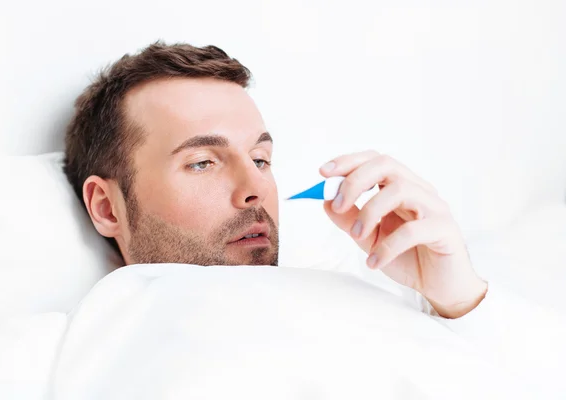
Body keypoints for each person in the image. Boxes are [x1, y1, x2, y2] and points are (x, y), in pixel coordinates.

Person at [63, 42, 564, 393]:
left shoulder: (368, 284)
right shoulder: (90, 341)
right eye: (202, 162)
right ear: (108, 207)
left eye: (261, 160)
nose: (255, 189)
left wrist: (463, 300)